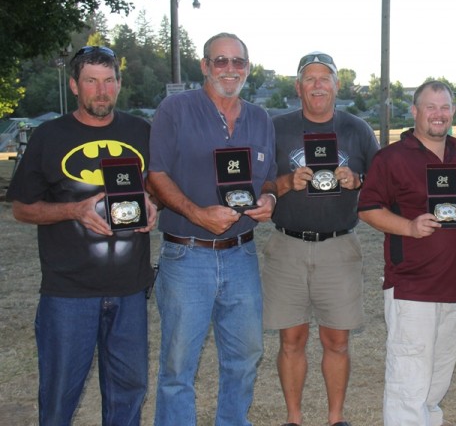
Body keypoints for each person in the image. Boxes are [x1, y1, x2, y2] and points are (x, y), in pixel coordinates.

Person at [7, 45, 157, 425]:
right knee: (59, 395)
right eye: (91, 81)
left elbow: (157, 188)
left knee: (129, 391)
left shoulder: (141, 131)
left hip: (129, 289)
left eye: (109, 81)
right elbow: (23, 208)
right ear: (74, 85)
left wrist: (155, 203)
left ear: (120, 85)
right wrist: (74, 210)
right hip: (68, 292)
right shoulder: (49, 136)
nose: (101, 91)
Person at [148, 33, 277, 425]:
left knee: (245, 356)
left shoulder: (259, 117)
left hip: (241, 254)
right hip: (187, 253)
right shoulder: (175, 110)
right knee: (178, 365)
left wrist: (270, 200)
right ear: (204, 66)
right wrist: (196, 213)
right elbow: (156, 175)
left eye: (238, 62)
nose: (230, 69)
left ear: (248, 68)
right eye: (220, 61)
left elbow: (268, 179)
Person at [358, 80, 456, 426]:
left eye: (445, 107)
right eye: (430, 107)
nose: (439, 114)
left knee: (435, 383)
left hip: (453, 288)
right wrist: (410, 227)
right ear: (415, 112)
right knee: (409, 383)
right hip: (412, 287)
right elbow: (368, 209)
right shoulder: (391, 158)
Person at [264, 51, 379, 426]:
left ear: (336, 84)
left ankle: (335, 419)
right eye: (309, 78)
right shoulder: (275, 128)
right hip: (287, 246)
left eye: (324, 77)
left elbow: (380, 185)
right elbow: (253, 185)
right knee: (291, 341)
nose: (317, 85)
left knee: (337, 342)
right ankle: (294, 419)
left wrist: (357, 181)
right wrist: (284, 183)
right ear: (298, 87)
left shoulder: (357, 129)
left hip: (339, 247)